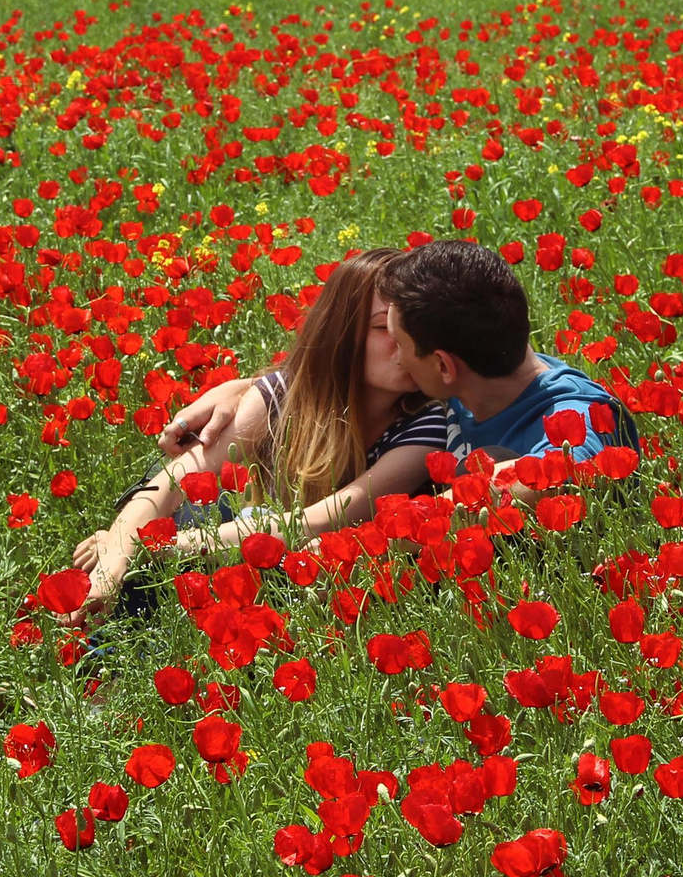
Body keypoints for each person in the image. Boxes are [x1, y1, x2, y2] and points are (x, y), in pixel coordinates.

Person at [74, 249, 447, 618]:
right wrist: (117, 553)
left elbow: (313, 524)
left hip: (303, 594)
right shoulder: (282, 397)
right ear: (341, 331)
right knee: (194, 511)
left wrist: (150, 547)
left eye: (416, 328)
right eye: (384, 328)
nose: (407, 344)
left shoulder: (428, 425)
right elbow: (171, 481)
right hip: (224, 555)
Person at [166, 237, 632, 476]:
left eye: (402, 346)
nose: (396, 358)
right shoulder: (475, 370)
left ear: (443, 366)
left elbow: (562, 472)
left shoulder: (576, 415)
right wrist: (242, 388)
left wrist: (410, 524)